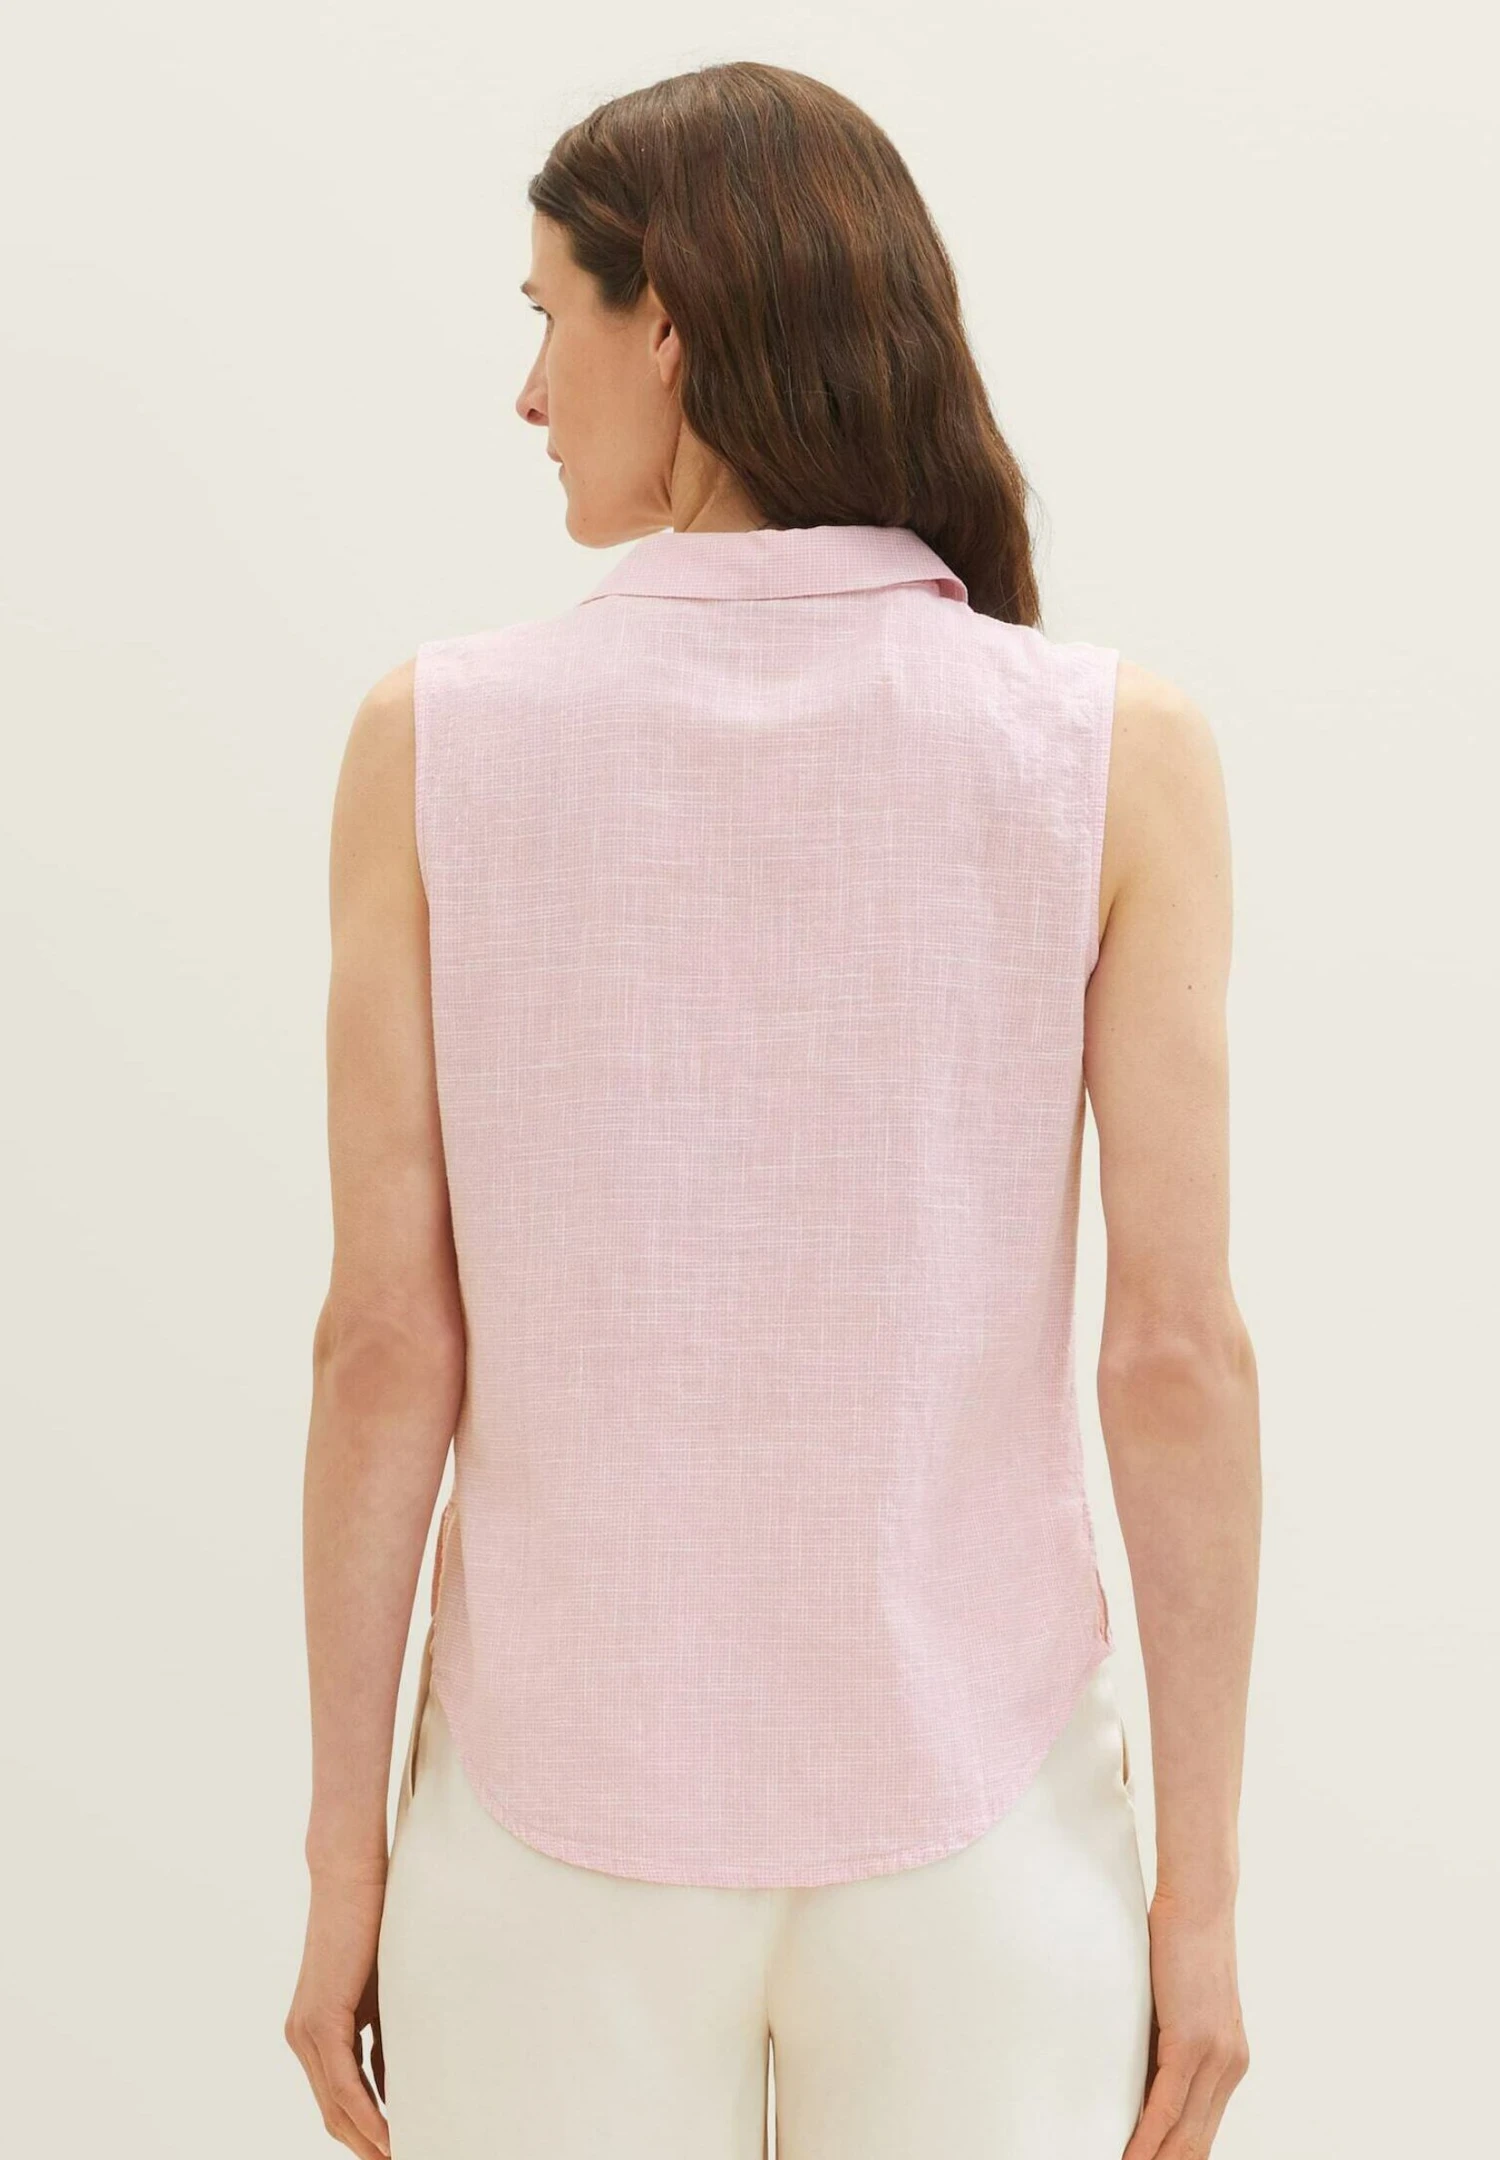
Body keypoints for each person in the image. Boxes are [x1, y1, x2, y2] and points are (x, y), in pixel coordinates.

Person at [284, 59, 1258, 2160]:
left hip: (547, 1829)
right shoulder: (1110, 751)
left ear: (667, 326)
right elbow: (1176, 1355)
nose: (527, 393)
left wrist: (346, 1860)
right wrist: (1202, 1897)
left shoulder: (433, 743)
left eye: (545, 314)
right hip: (984, 1827)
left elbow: (382, 1347)